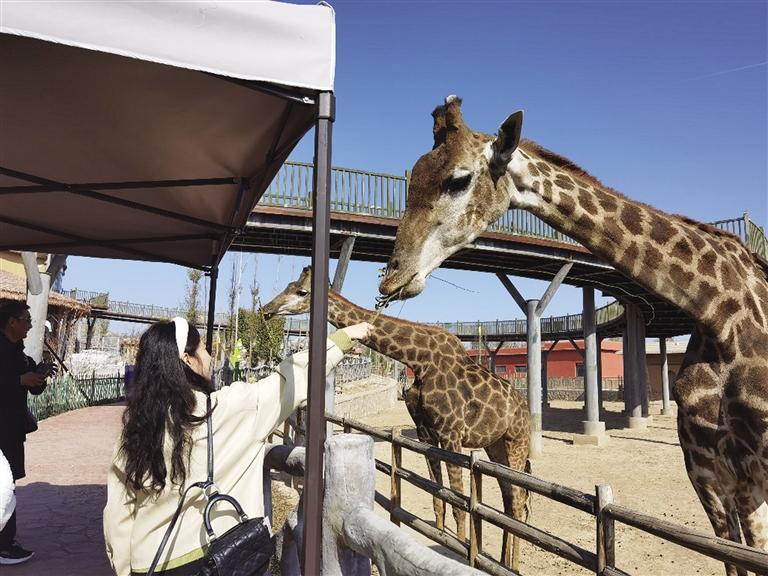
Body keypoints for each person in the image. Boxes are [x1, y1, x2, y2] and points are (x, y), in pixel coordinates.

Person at [103, 317, 373, 576]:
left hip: (147, 561)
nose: (209, 356)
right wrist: (342, 338)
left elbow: (119, 513)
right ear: (188, 360)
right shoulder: (230, 409)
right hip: (213, 559)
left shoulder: (135, 430)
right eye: (204, 349)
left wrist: (124, 568)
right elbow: (292, 378)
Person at [0, 300, 51, 565]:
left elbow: (33, 388)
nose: (30, 324)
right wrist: (20, 380)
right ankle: (4, 546)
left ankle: (6, 540)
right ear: (11, 322)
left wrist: (38, 376)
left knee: (7, 485)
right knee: (4, 486)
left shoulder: (18, 352)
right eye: (26, 319)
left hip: (11, 428)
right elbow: (15, 382)